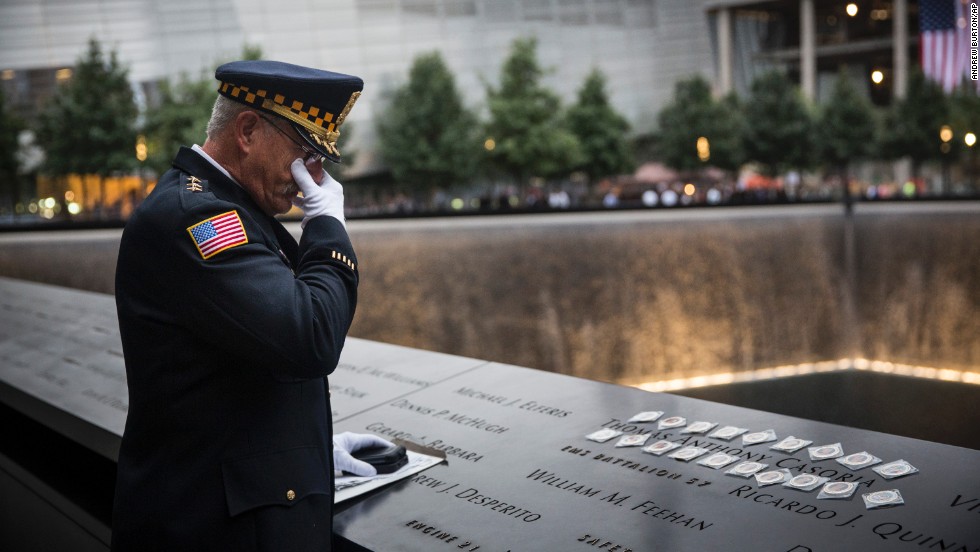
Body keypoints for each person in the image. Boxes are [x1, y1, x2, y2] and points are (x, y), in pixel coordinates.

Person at [112, 60, 391, 551]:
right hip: (211, 531)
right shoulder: (198, 218)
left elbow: (236, 362)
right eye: (305, 154)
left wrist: (305, 450)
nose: (314, 178)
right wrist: (328, 228)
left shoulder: (232, 208)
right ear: (247, 130)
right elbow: (309, 336)